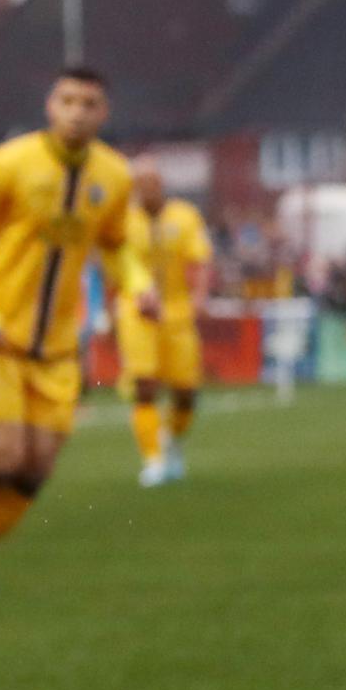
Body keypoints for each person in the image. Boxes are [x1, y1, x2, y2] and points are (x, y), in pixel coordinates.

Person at [0, 68, 150, 594]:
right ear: (50, 104)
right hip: (0, 340)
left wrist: (137, 285)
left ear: (103, 113)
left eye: (89, 102)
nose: (76, 111)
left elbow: (115, 243)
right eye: (67, 99)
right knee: (2, 458)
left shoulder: (114, 177)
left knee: (32, 472)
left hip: (59, 352)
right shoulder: (9, 163)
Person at [121, 158, 213, 485]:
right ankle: (153, 459)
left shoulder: (185, 216)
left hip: (177, 311)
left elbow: (200, 260)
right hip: (136, 311)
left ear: (161, 185)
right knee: (144, 385)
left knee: (186, 392)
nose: (146, 189)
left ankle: (171, 441)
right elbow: (112, 265)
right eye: (140, 183)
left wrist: (199, 298)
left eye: (152, 183)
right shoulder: (123, 220)